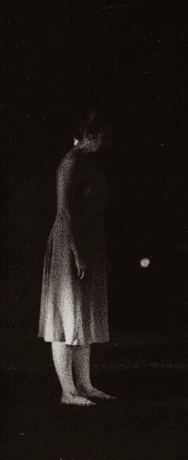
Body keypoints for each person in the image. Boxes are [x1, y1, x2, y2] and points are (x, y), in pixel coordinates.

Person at [39, 112, 114, 406]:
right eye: (101, 138)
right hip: (68, 244)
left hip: (89, 243)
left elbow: (96, 214)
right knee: (65, 313)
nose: (104, 144)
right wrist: (76, 253)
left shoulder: (89, 164)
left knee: (85, 314)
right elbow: (64, 213)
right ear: (88, 136)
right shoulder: (69, 163)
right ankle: (67, 391)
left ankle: (85, 384)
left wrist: (100, 252)